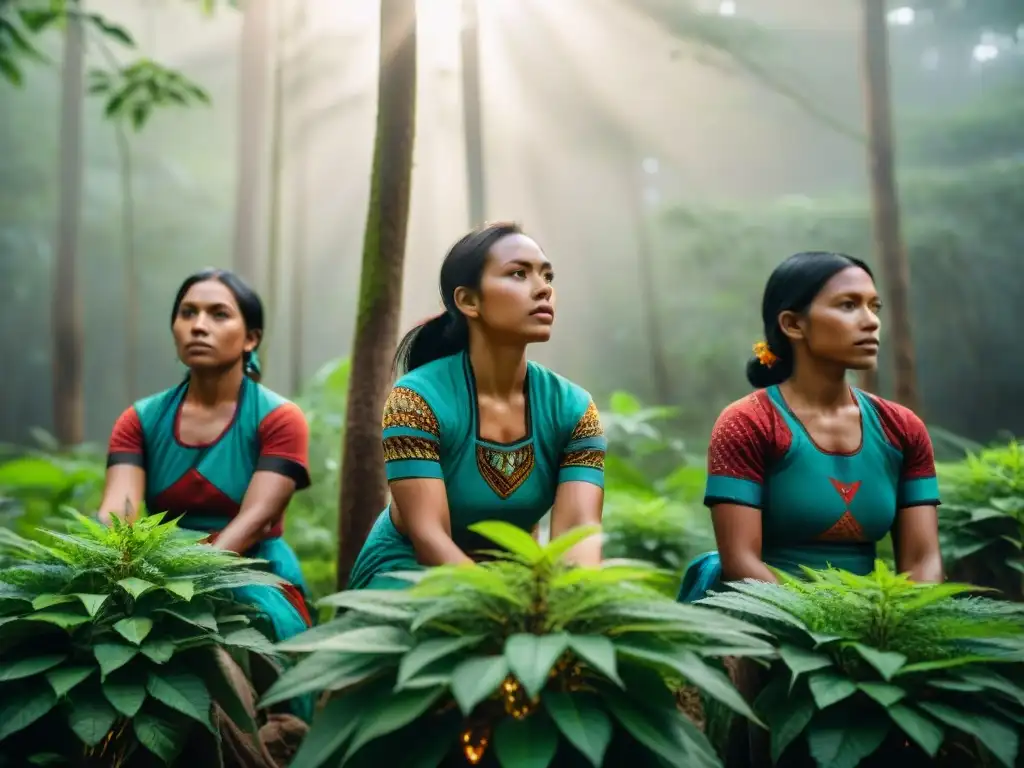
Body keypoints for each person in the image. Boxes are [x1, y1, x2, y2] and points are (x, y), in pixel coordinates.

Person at [98, 268, 315, 721]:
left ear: (251, 338)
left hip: (250, 568)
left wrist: (186, 579)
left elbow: (255, 518)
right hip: (156, 562)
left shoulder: (279, 418)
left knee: (274, 653)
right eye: (187, 313)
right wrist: (125, 566)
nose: (199, 325)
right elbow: (118, 509)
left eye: (219, 314)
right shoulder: (139, 419)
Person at [347, 222, 607, 590]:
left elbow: (579, 538)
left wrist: (562, 609)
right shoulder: (415, 400)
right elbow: (430, 540)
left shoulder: (575, 410)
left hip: (516, 576)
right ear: (469, 301)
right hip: (412, 574)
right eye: (519, 274)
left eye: (547, 276)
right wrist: (505, 610)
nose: (543, 288)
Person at [678, 251, 943, 604]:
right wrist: (825, 630)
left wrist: (895, 626)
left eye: (873, 306)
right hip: (768, 618)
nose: (871, 322)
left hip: (876, 622)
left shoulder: (902, 428)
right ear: (793, 324)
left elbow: (923, 561)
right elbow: (741, 562)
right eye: (848, 306)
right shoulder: (748, 423)